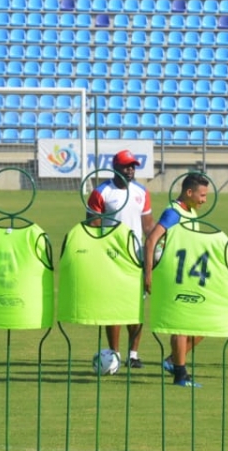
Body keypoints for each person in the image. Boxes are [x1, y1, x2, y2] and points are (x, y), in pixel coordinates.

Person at [86, 150, 152, 369]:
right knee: (112, 308)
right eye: (126, 166)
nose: (130, 170)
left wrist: (155, 249)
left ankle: (133, 354)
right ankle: (114, 353)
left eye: (133, 166)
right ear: (115, 167)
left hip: (135, 258)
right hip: (110, 258)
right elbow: (93, 226)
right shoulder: (101, 192)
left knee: (135, 308)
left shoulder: (141, 192)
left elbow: (148, 225)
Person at [143, 173, 210, 387]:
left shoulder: (190, 212)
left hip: (190, 277)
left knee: (203, 326)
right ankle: (181, 375)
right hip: (172, 276)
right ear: (189, 192)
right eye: (202, 195)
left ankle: (173, 361)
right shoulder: (173, 213)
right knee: (180, 326)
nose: (204, 200)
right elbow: (151, 240)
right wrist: (149, 273)